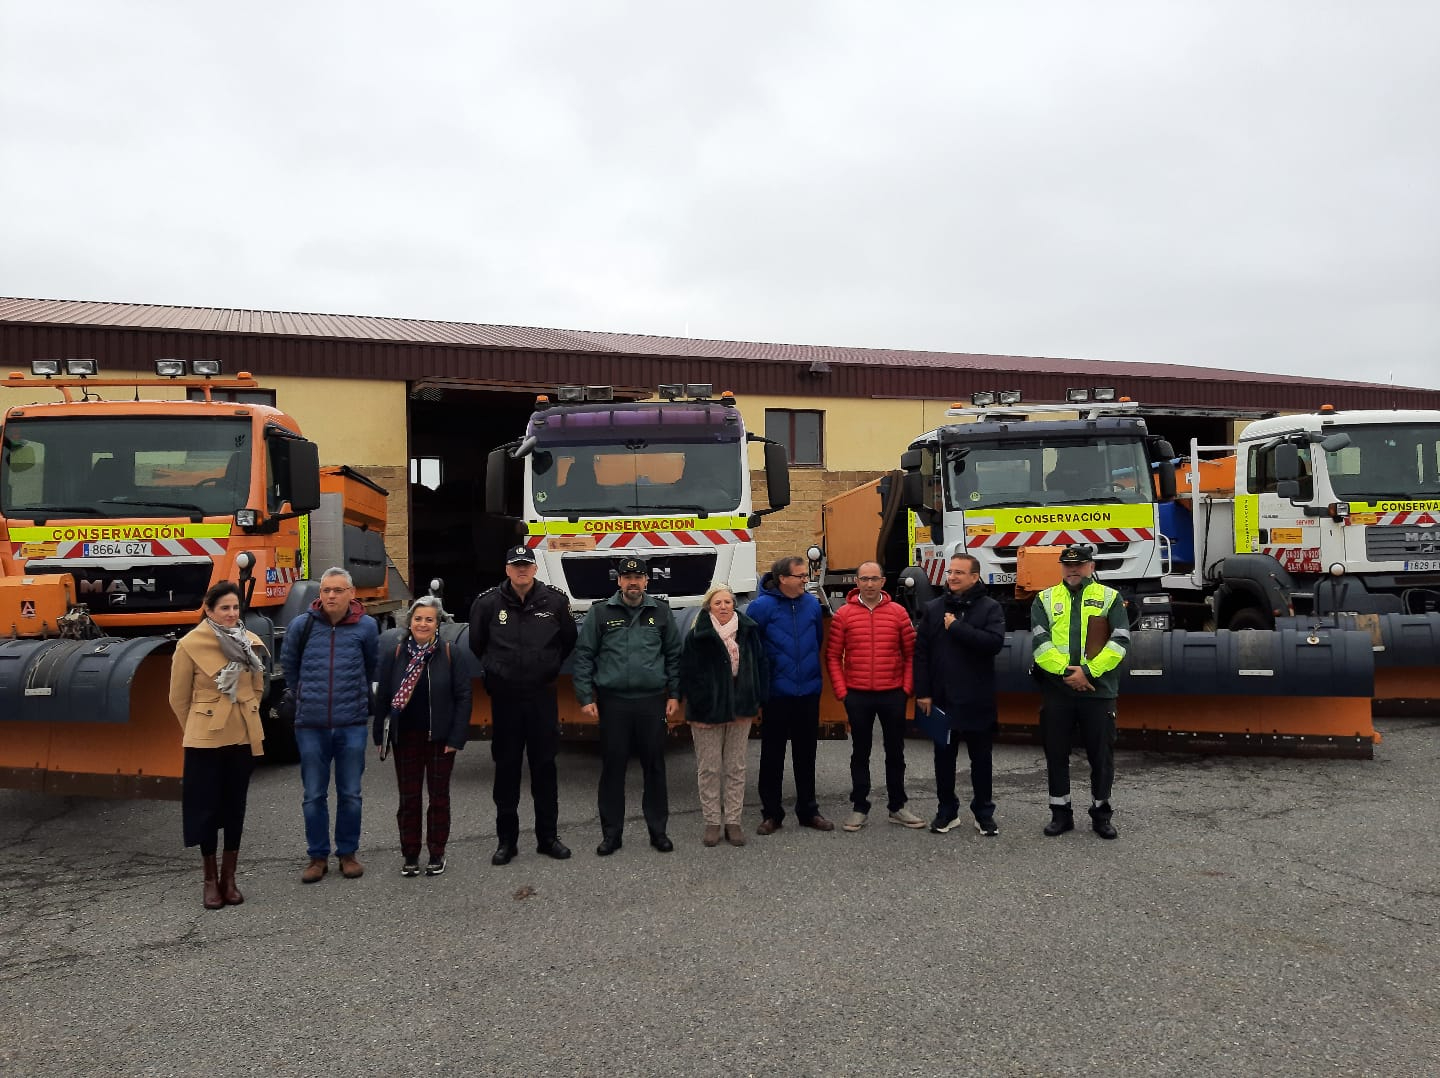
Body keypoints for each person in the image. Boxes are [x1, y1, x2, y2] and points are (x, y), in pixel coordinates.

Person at [467, 544, 577, 865]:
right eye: (516, 565)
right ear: (507, 569)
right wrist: (499, 671)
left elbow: (567, 640)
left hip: (542, 698)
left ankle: (548, 838)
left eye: (526, 565)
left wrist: (548, 666)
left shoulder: (554, 601)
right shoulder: (487, 603)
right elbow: (477, 644)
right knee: (507, 769)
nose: (521, 570)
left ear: (535, 568)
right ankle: (506, 842)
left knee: (545, 767)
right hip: (505, 700)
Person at [572, 554, 681, 856]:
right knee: (613, 769)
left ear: (647, 581)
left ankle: (658, 831)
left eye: (639, 577)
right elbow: (584, 656)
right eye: (627, 577)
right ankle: (612, 835)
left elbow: (673, 655)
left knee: (655, 768)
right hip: (614, 703)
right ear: (619, 581)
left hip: (651, 702)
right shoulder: (600, 613)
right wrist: (585, 696)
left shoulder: (660, 612)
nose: (633, 583)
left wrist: (674, 694)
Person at [168, 581, 268, 909]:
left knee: (235, 806)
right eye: (224, 608)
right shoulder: (189, 644)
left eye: (235, 608)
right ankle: (210, 880)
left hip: (241, 733)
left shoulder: (249, 641)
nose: (231, 613)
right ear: (209, 610)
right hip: (205, 738)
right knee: (207, 807)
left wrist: (248, 708)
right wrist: (197, 727)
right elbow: (178, 698)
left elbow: (257, 685)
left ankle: (230, 878)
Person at [281, 566, 380, 882]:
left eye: (338, 590)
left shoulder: (367, 627)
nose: (331, 596)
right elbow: (290, 667)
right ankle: (317, 857)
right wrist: (303, 698)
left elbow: (371, 668)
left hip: (351, 723)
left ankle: (348, 854)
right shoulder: (301, 626)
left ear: (352, 593)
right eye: (326, 590)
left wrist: (360, 701)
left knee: (350, 793)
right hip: (310, 725)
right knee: (313, 795)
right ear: (319, 594)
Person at [1030, 544, 1130, 840]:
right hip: (1058, 691)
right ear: (1061, 567)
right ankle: (1061, 814)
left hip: (1098, 691)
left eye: (1079, 565)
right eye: (1067, 566)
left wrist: (1088, 672)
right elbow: (1041, 644)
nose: (1073, 570)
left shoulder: (1110, 597)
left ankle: (1102, 815)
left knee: (1101, 757)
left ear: (1091, 566)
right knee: (1056, 754)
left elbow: (1120, 642)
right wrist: (1067, 674)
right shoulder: (1044, 599)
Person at [374, 596, 474, 877]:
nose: (423, 624)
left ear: (438, 624)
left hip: (440, 738)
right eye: (418, 619)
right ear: (410, 622)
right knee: (408, 799)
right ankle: (410, 854)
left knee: (439, 798)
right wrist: (379, 734)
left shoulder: (451, 653)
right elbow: (383, 696)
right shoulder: (394, 654)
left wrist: (457, 738)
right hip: (404, 737)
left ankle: (436, 853)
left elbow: (464, 697)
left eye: (429, 619)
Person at [913, 554, 1006, 836]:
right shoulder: (933, 608)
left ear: (975, 577)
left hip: (977, 699)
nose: (952, 577)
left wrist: (957, 627)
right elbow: (921, 654)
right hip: (942, 700)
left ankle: (983, 813)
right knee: (943, 759)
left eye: (959, 573)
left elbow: (993, 644)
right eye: (950, 572)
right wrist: (923, 692)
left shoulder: (990, 608)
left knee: (981, 760)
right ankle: (946, 812)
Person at [826, 561, 920, 831]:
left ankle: (897, 807)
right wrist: (842, 691)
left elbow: (912, 653)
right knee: (860, 752)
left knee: (896, 752)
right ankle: (859, 807)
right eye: (864, 579)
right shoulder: (843, 615)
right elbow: (832, 656)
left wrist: (906, 689)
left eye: (874, 579)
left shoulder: (898, 613)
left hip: (893, 694)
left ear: (882, 582)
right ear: (856, 581)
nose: (869, 584)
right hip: (857, 695)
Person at [747, 555, 833, 835]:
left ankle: (809, 811)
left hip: (807, 691)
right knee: (772, 755)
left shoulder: (811, 604)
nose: (805, 580)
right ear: (783, 578)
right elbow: (753, 649)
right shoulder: (760, 608)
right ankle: (772, 814)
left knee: (806, 754)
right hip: (776, 693)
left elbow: (817, 640)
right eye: (800, 576)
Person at [678, 584, 769, 847]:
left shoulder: (748, 632)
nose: (724, 607)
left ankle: (733, 821)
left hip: (741, 707)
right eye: (718, 603)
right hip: (707, 709)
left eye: (728, 602)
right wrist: (696, 697)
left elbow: (760, 664)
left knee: (736, 768)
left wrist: (758, 694)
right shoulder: (697, 635)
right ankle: (711, 823)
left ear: (734, 605)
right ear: (709, 607)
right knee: (709, 769)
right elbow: (686, 671)